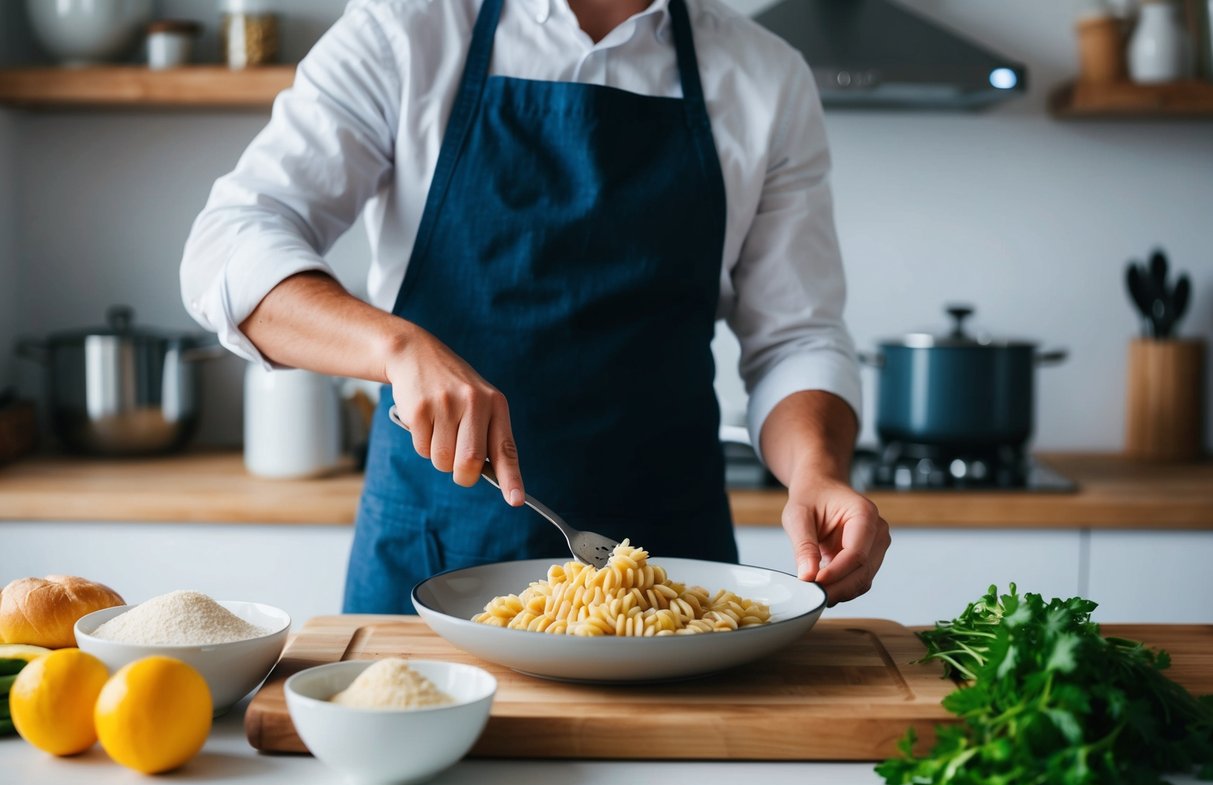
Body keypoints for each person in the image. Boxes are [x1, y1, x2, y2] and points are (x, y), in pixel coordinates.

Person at [181, 0, 890, 614]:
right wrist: (395, 348)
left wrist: (816, 471)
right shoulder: (406, 31)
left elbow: (796, 339)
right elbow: (229, 245)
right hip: (436, 554)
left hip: (670, 578)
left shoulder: (764, 76)